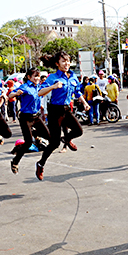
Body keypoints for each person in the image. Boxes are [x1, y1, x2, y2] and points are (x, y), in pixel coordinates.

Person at [37, 52, 90, 180]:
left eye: (68, 61)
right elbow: (39, 92)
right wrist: (53, 86)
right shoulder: (52, 77)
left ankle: (66, 139)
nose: (66, 64)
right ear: (57, 63)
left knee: (78, 130)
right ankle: (40, 164)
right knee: (54, 143)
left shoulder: (73, 76)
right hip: (55, 110)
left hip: (66, 109)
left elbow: (77, 92)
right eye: (63, 61)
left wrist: (85, 103)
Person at [8, 67, 51, 175]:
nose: (37, 78)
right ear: (29, 77)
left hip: (36, 117)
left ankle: (41, 163)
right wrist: (16, 93)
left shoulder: (39, 87)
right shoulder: (25, 87)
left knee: (50, 137)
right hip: (26, 118)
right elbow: (10, 95)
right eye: (35, 76)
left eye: (38, 76)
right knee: (28, 143)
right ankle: (15, 161)